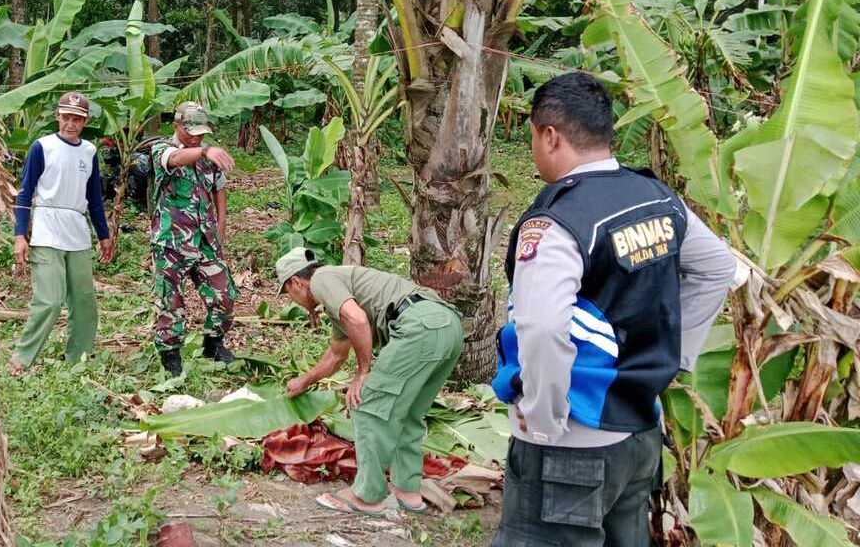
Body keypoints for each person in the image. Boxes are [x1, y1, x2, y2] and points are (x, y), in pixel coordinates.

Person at [491, 72, 737, 546]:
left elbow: (541, 325)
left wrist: (544, 420)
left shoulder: (559, 221)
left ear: (550, 135)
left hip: (573, 443)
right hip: (640, 435)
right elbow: (718, 269)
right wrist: (672, 359)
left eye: (533, 140)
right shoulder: (658, 198)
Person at [276, 249, 464, 516]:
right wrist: (303, 382)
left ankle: (367, 495)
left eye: (287, 292)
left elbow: (358, 319)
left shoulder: (322, 279)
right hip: (447, 325)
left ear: (296, 282)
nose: (292, 300)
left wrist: (363, 372)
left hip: (418, 327)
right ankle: (407, 489)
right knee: (409, 412)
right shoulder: (338, 294)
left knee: (368, 404)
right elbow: (335, 356)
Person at [8, 92, 113, 375]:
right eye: (66, 117)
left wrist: (103, 234)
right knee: (50, 300)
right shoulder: (42, 147)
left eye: (77, 119)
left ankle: (78, 358)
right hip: (46, 227)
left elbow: (94, 197)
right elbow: (25, 191)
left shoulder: (89, 151)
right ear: (58, 116)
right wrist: (20, 234)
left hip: (77, 230)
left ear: (85, 121)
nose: (71, 123)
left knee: (84, 301)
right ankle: (22, 358)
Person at [150, 101, 237, 377]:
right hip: (172, 242)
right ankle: (170, 356)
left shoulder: (207, 157)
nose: (197, 137)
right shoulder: (162, 149)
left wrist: (221, 224)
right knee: (171, 302)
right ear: (176, 126)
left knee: (225, 295)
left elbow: (218, 188)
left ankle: (213, 344)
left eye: (201, 133)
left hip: (205, 240)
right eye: (191, 132)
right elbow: (174, 160)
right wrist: (204, 150)